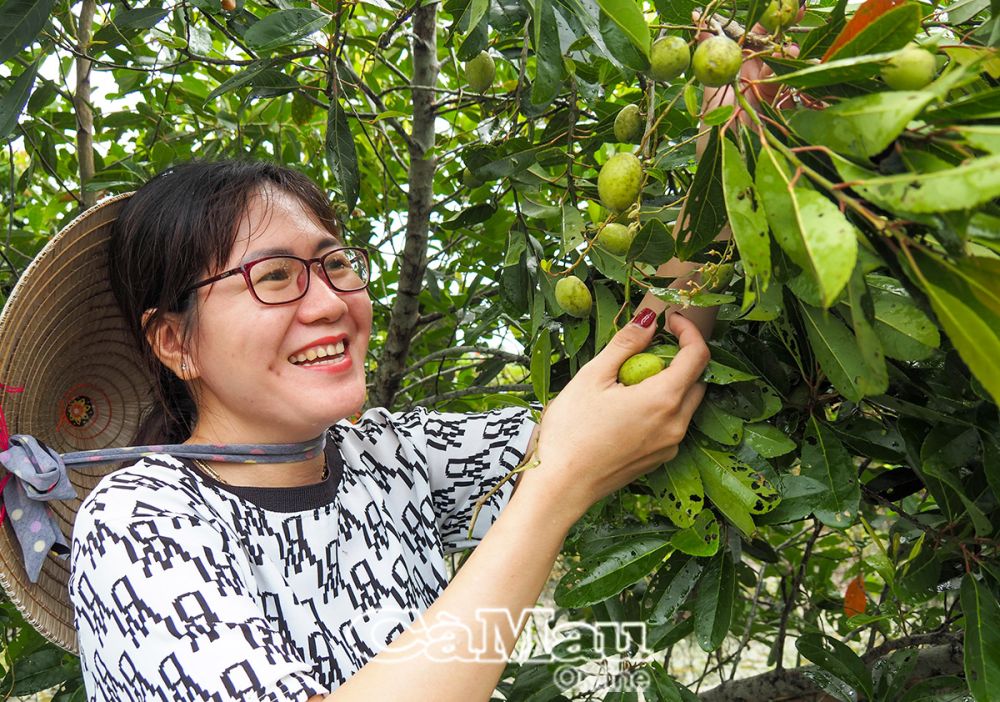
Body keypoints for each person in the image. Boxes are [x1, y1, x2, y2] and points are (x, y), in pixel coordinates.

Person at [50, 159, 711, 701]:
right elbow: (566, 460)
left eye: (335, 263)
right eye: (274, 276)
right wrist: (555, 490)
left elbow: (630, 396)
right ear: (175, 342)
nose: (330, 302)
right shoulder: (139, 521)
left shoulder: (390, 454)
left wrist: (726, 163)